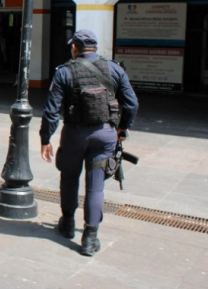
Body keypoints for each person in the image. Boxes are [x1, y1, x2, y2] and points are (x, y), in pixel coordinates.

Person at [39, 30, 138, 257]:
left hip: (74, 135)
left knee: (69, 177)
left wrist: (46, 139)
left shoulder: (64, 72)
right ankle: (90, 238)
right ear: (94, 47)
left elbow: (51, 111)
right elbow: (131, 104)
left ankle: (67, 223)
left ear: (75, 47)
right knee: (96, 186)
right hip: (105, 136)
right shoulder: (114, 69)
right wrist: (122, 127)